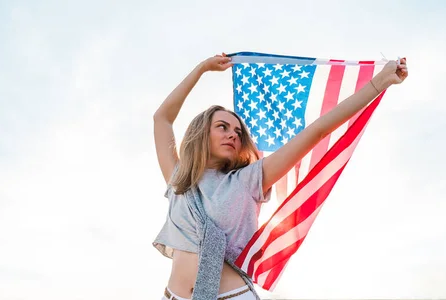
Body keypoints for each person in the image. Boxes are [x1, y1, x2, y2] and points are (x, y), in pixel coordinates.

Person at [152, 53, 408, 300]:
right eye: (223, 127)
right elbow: (162, 118)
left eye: (238, 132)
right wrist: (202, 69)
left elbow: (317, 131)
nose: (233, 135)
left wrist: (380, 82)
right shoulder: (178, 180)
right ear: (201, 132)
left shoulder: (249, 179)